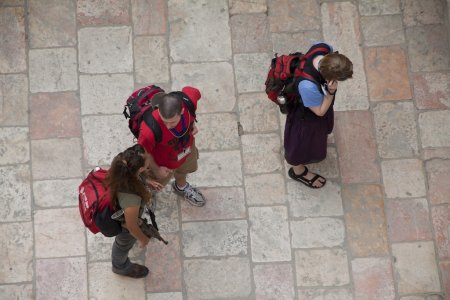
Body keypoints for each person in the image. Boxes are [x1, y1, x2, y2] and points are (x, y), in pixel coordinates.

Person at [285, 42, 353, 188]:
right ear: (328, 78)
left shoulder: (322, 48)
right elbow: (320, 111)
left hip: (313, 105)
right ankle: (298, 172)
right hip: (305, 117)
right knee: (299, 145)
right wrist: (330, 93)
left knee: (313, 137)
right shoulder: (308, 86)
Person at [138, 86, 206, 207]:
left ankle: (181, 187)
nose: (168, 126)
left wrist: (192, 123)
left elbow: (191, 90)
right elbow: (143, 152)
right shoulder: (148, 130)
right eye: (164, 121)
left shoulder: (188, 103)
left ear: (182, 111)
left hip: (187, 152)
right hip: (162, 165)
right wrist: (156, 169)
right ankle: (148, 195)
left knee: (184, 170)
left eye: (173, 122)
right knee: (154, 184)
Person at [105, 144, 155, 278]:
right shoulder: (131, 199)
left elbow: (135, 176)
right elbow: (131, 226)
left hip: (126, 212)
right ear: (140, 169)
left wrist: (146, 180)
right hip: (126, 229)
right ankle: (120, 267)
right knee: (122, 245)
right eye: (147, 158)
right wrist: (143, 239)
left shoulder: (120, 162)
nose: (149, 156)